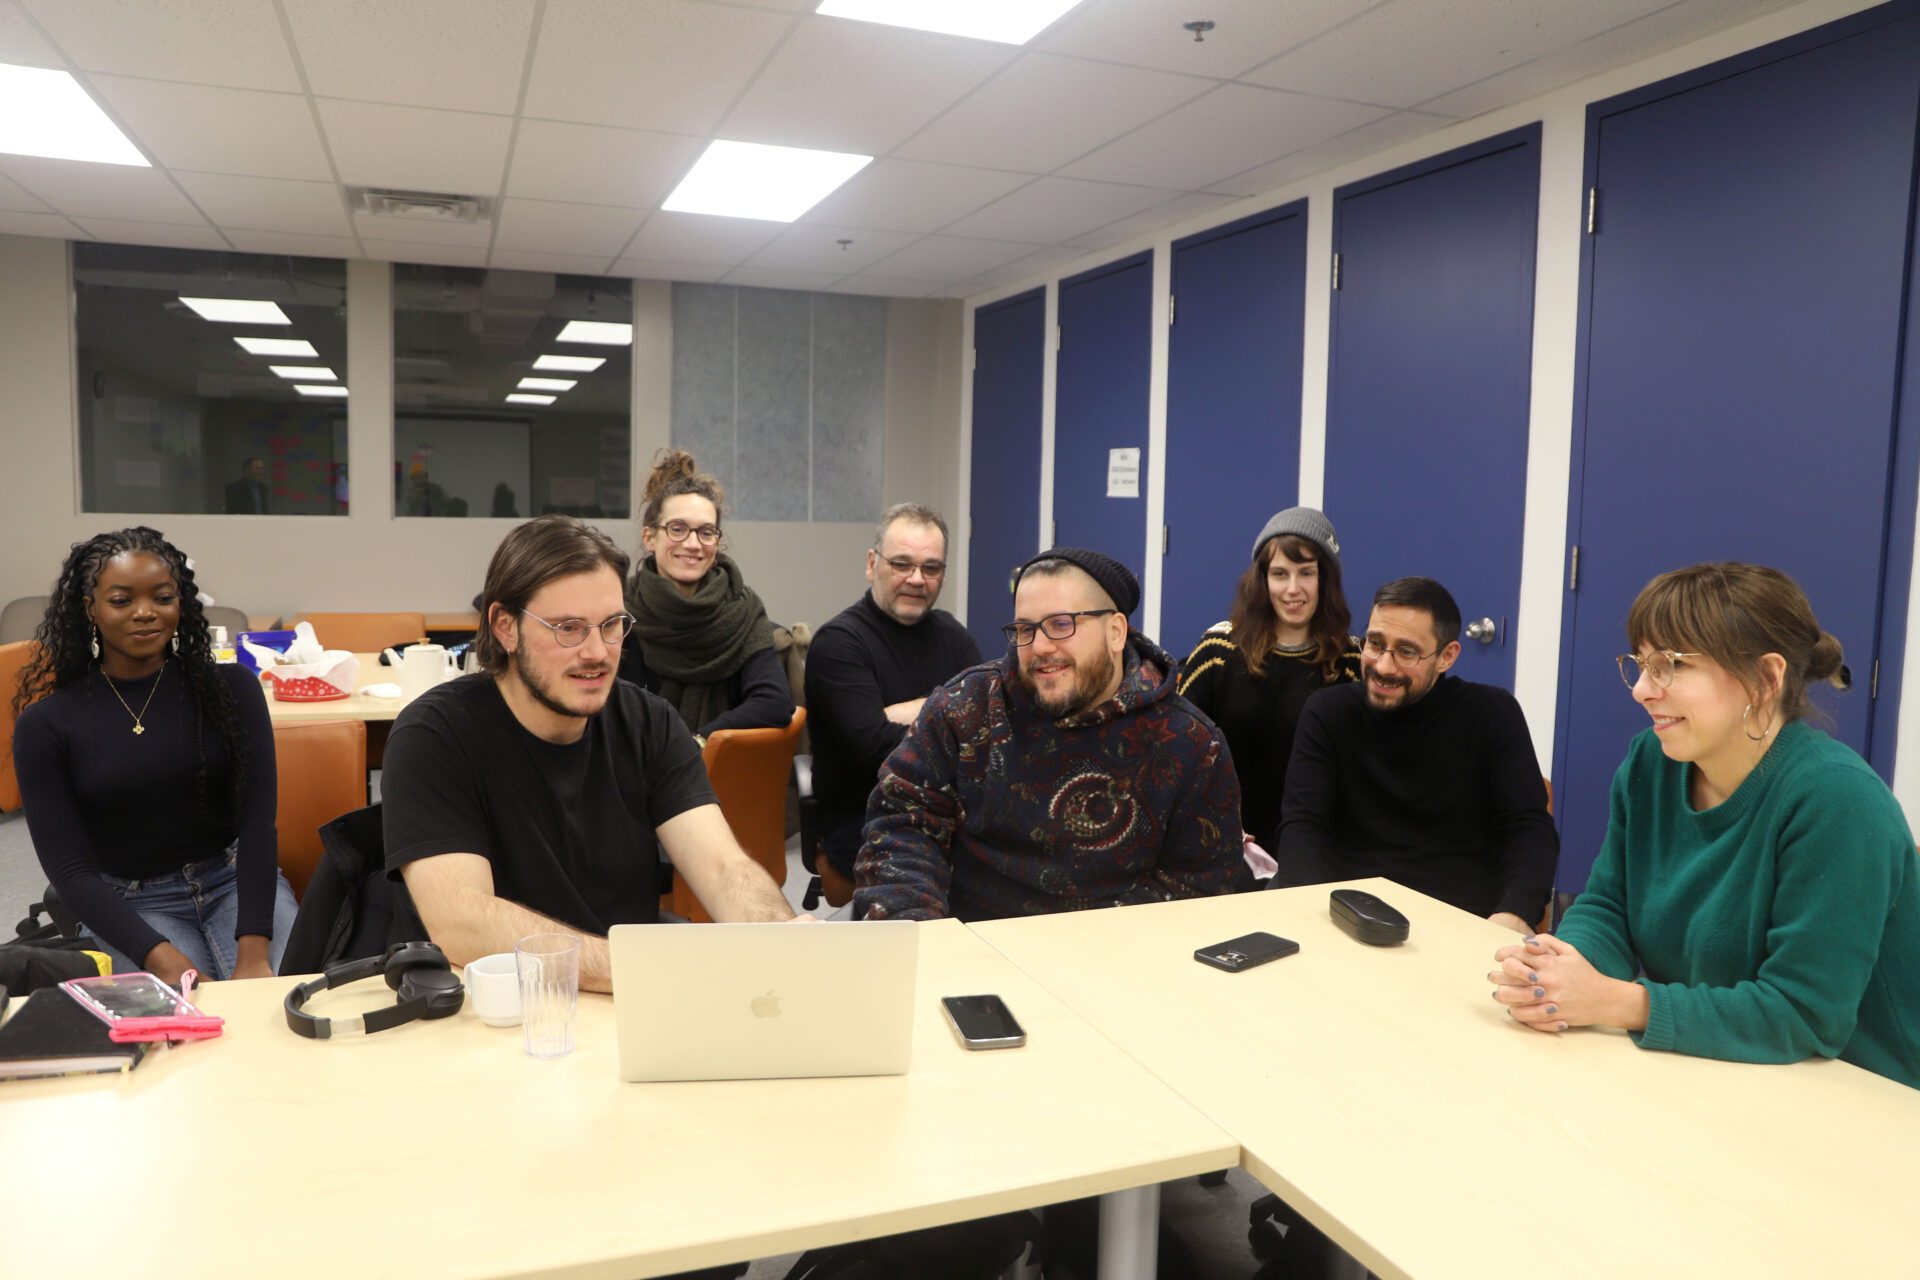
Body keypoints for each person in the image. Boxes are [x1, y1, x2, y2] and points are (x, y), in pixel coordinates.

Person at [1489, 563, 1919, 1089]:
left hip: (1858, 1098)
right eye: (1642, 664)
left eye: (1671, 665)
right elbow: (1609, 907)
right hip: (1717, 1069)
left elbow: (1805, 1015)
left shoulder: (1839, 802)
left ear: (1765, 679)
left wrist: (1618, 1001)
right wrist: (1555, 971)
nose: (1642, 690)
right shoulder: (1653, 761)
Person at [382, 515, 805, 996]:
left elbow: (724, 868)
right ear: (506, 627)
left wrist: (778, 935)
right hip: (490, 1008)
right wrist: (644, 968)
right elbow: (462, 922)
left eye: (611, 626)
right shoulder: (435, 734)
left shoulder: (650, 723)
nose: (598, 653)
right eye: (568, 628)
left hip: (621, 1002)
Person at [856, 547, 1244, 921]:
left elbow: (1200, 884)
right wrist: (921, 930)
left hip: (1112, 959)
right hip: (967, 942)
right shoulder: (965, 709)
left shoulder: (1188, 744)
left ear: (1115, 631)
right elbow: (901, 824)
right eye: (1025, 628)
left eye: (1061, 624)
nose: (1040, 647)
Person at [12, 527, 297, 982]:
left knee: (279, 1006)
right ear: (91, 609)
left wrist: (255, 951)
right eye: (122, 600)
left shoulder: (232, 691)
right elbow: (70, 871)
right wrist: (162, 957)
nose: (145, 613)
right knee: (189, 1033)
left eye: (162, 598)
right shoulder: (47, 725)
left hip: (232, 881)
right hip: (131, 901)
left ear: (180, 604)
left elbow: (258, 824)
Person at [1270, 575, 1556, 932]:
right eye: (1374, 643)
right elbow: (1302, 829)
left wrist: (1515, 912)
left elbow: (1530, 830)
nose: (1384, 666)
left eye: (1406, 652)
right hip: (1345, 919)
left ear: (1446, 657)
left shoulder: (1494, 714)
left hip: (1460, 921)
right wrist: (1309, 914)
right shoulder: (1328, 712)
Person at [806, 503, 982, 882]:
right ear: (873, 564)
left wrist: (912, 709)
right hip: (868, 818)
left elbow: (988, 725)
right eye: (901, 564)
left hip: (951, 812)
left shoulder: (954, 636)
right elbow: (874, 749)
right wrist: (947, 710)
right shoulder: (838, 644)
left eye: (930, 567)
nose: (917, 579)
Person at [1177, 507, 1358, 849]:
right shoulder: (1219, 649)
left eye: (1306, 573)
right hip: (1225, 839)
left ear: (1325, 579)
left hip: (1314, 846)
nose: (1292, 589)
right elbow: (1178, 749)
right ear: (1262, 579)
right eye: (1279, 574)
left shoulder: (1349, 660)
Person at [621, 448, 794, 739]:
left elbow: (774, 704)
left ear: (717, 541)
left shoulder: (743, 611)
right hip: (634, 771)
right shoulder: (620, 611)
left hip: (716, 776)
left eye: (706, 532)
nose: (692, 543)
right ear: (649, 537)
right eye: (678, 529)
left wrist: (697, 741)